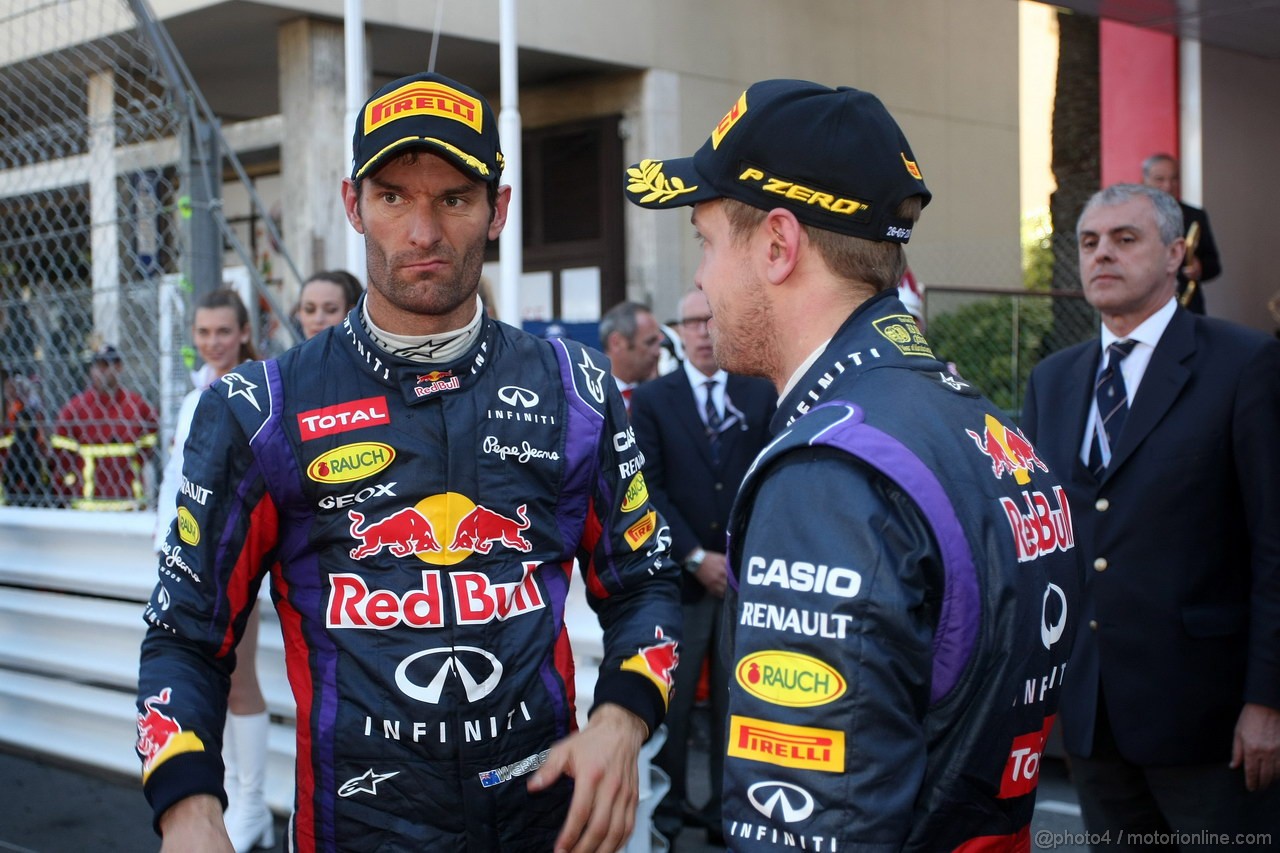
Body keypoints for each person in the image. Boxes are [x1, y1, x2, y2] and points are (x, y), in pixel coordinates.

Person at [135, 70, 681, 853]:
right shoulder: (260, 408)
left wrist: (624, 719)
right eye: (394, 197)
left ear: (498, 208)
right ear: (354, 205)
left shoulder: (578, 388)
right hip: (356, 827)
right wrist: (188, 808)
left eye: (454, 198)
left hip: (547, 826)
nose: (423, 232)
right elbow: (183, 635)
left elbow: (647, 583)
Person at [625, 78, 1078, 851]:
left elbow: (807, 821)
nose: (698, 281)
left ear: (777, 244)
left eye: (704, 241)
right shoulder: (976, 424)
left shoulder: (829, 475)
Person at [1022, 183, 1280, 846]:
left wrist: (1268, 701)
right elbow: (1042, 542)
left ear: (1174, 256)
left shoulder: (1245, 363)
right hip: (1091, 715)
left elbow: (1274, 543)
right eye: (1089, 242)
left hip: (1209, 723)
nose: (1102, 254)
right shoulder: (1052, 380)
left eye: (1124, 239)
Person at [629, 289, 774, 848]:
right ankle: (668, 818)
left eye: (714, 320)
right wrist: (693, 556)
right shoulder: (653, 400)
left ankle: (724, 815)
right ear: (679, 332)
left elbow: (767, 475)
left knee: (736, 706)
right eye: (693, 322)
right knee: (678, 700)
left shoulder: (759, 395)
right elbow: (650, 488)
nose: (705, 332)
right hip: (682, 581)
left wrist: (737, 553)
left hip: (743, 574)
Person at [153, 288, 270, 853]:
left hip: (233, 561)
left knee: (238, 685)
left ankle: (250, 806)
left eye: (222, 331)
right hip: (180, 557)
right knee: (199, 688)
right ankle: (221, 809)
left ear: (243, 331)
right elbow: (176, 485)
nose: (212, 342)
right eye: (203, 333)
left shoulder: (257, 392)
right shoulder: (194, 392)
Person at [52, 345, 158, 510]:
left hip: (129, 505)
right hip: (87, 507)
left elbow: (150, 438)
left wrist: (134, 465)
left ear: (119, 368)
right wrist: (67, 490)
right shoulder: (75, 409)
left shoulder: (136, 405)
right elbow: (61, 458)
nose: (101, 371)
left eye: (107, 366)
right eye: (97, 366)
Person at [1141, 153, 1221, 315]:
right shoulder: (1132, 217)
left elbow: (1214, 265)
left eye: (1174, 179)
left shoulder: (1195, 215)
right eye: (1159, 179)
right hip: (1144, 306)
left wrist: (1200, 268)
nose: (1168, 186)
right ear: (1145, 181)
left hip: (1187, 307)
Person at [0, 366, 55, 506]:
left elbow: (38, 436)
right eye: (8, 384)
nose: (10, 388)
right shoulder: (8, 406)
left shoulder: (25, 409)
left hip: (24, 458)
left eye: (14, 384)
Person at [599, 300, 663, 410]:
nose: (657, 352)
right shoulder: (590, 399)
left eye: (658, 342)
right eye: (649, 342)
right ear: (616, 343)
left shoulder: (662, 394)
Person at [294, 269, 363, 341]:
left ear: (351, 312)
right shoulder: (292, 351)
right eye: (309, 310)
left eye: (331, 310)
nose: (318, 319)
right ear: (299, 312)